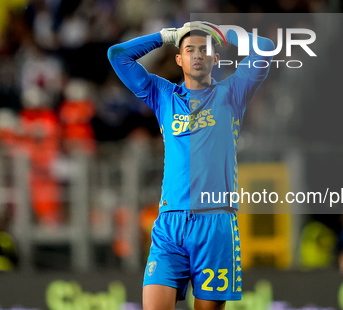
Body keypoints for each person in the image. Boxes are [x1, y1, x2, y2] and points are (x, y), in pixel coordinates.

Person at [108, 21, 274, 310]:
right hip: (170, 224)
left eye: (204, 49)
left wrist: (226, 31)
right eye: (189, 49)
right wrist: (165, 36)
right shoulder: (164, 96)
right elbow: (117, 55)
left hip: (215, 224)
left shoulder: (231, 93)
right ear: (179, 58)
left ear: (215, 58)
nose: (197, 54)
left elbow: (267, 50)